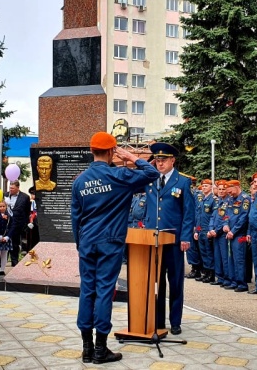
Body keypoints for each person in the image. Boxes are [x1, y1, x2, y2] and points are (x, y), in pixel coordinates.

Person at [71, 132, 159, 364]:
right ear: (111, 152)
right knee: (104, 292)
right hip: (110, 242)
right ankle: (100, 349)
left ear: (92, 151)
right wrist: (131, 156)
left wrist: (81, 244)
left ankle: (86, 349)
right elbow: (153, 173)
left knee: (87, 291)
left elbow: (75, 218)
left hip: (88, 242)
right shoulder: (119, 174)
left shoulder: (80, 181)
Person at [143, 142, 196, 336]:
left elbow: (188, 212)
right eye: (157, 159)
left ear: (172, 160)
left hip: (173, 240)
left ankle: (175, 321)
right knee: (156, 283)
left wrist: (185, 237)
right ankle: (158, 321)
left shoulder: (182, 181)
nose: (159, 163)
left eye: (163, 160)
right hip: (153, 240)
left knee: (175, 282)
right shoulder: (150, 180)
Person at [223, 180, 250, 292]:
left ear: (237, 187)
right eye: (228, 192)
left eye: (231, 192)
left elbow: (243, 218)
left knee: (239, 259)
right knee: (231, 258)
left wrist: (233, 231)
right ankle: (233, 281)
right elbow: (226, 214)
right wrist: (225, 225)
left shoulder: (245, 199)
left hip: (239, 234)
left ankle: (242, 283)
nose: (230, 194)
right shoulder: (230, 199)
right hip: (230, 233)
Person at [4, 181, 31, 267]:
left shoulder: (25, 197)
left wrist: (24, 224)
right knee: (4, 242)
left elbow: (27, 211)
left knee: (15, 243)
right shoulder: (5, 195)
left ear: (18, 188)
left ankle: (14, 261)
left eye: (13, 188)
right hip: (5, 223)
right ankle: (3, 262)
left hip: (18, 224)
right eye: (10, 188)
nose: (11, 190)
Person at [209, 180, 230, 286]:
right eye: (220, 189)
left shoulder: (228, 202)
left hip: (222, 234)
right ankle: (220, 277)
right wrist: (211, 229)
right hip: (215, 233)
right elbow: (213, 217)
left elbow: (225, 219)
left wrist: (216, 231)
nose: (221, 191)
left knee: (225, 258)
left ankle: (227, 278)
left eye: (223, 189)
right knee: (217, 257)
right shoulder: (218, 201)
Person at [194, 180, 216, 284]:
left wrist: (211, 229)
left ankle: (211, 274)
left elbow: (214, 216)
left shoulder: (213, 199)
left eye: (206, 186)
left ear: (211, 187)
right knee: (203, 252)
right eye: (202, 186)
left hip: (207, 230)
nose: (204, 188)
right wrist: (196, 231)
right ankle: (206, 272)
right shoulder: (202, 199)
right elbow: (198, 217)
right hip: (200, 230)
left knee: (209, 252)